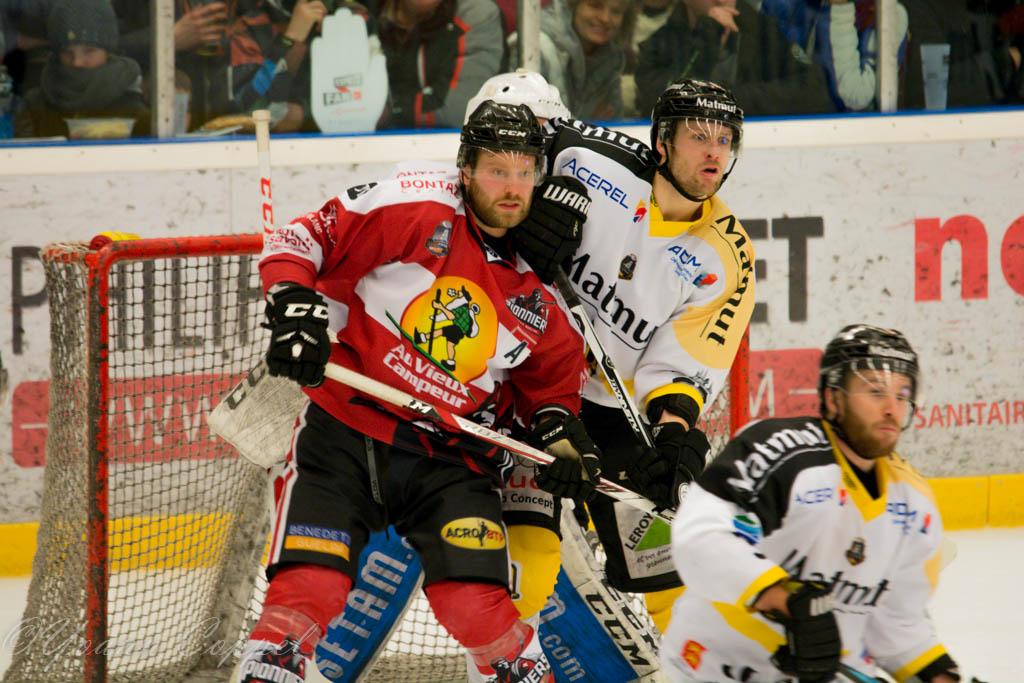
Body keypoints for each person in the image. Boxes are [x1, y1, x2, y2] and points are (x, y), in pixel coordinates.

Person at [234, 100, 597, 683]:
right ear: (465, 169)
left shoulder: (542, 293)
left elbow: (550, 391)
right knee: (307, 590)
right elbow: (300, 240)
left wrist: (561, 442)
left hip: (449, 457)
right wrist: (294, 307)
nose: (511, 186)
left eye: (524, 170)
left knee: (477, 610)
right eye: (496, 169)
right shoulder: (418, 206)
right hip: (345, 430)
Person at [509, 77, 755, 636]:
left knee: (669, 572)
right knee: (528, 560)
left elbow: (682, 364)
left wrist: (672, 436)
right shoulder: (587, 160)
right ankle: (508, 665)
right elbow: (503, 132)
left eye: (725, 139)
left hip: (609, 408)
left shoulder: (727, 255)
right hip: (525, 387)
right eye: (699, 136)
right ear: (662, 142)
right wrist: (532, 209)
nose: (714, 151)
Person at [661, 325, 964, 683]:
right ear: (834, 397)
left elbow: (897, 623)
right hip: (714, 668)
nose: (891, 408)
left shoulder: (913, 503)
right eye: (875, 391)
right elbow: (701, 536)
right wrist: (784, 598)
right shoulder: (782, 451)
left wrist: (940, 676)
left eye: (902, 394)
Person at [635, 0, 834, 116]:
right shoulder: (658, 46)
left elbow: (814, 92)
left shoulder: (763, 31)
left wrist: (729, 100)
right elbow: (663, 107)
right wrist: (706, 41)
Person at [14, 0, 149, 138]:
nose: (77, 62)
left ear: (107, 52)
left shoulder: (132, 108)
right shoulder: (35, 106)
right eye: (67, 52)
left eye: (89, 51)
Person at [374, 0, 503, 128]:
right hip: (378, 138)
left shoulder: (475, 13)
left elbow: (461, 110)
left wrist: (386, 112)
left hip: (461, 139)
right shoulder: (369, 16)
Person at [510, 0, 639, 120]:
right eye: (595, 6)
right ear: (572, 5)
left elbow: (613, 122)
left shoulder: (612, 58)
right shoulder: (533, 49)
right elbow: (525, 123)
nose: (605, 18)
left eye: (616, 11)